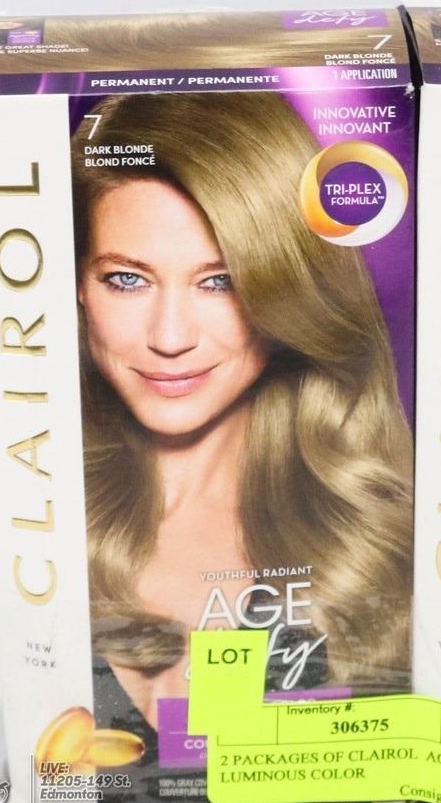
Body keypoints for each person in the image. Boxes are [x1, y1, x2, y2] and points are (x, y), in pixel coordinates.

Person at [71, 92, 413, 733]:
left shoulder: (380, 529)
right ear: (77, 287)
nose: (171, 337)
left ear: (288, 290)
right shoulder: (42, 520)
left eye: (220, 281)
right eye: (127, 279)